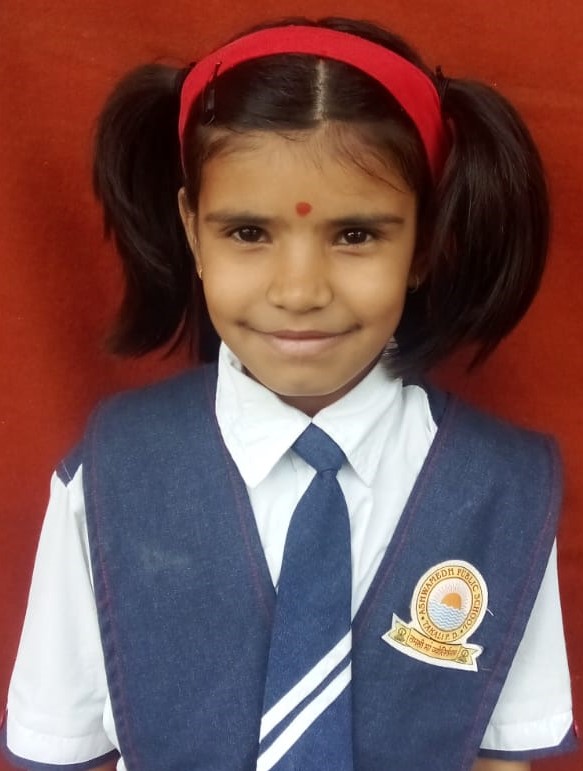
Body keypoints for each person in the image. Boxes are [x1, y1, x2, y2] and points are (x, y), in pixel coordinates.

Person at [2, 16, 577, 771]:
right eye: (247, 233)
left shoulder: (503, 492)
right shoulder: (107, 479)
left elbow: (503, 756)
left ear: (426, 241)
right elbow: (62, 746)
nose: (300, 292)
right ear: (192, 231)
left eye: (355, 235)